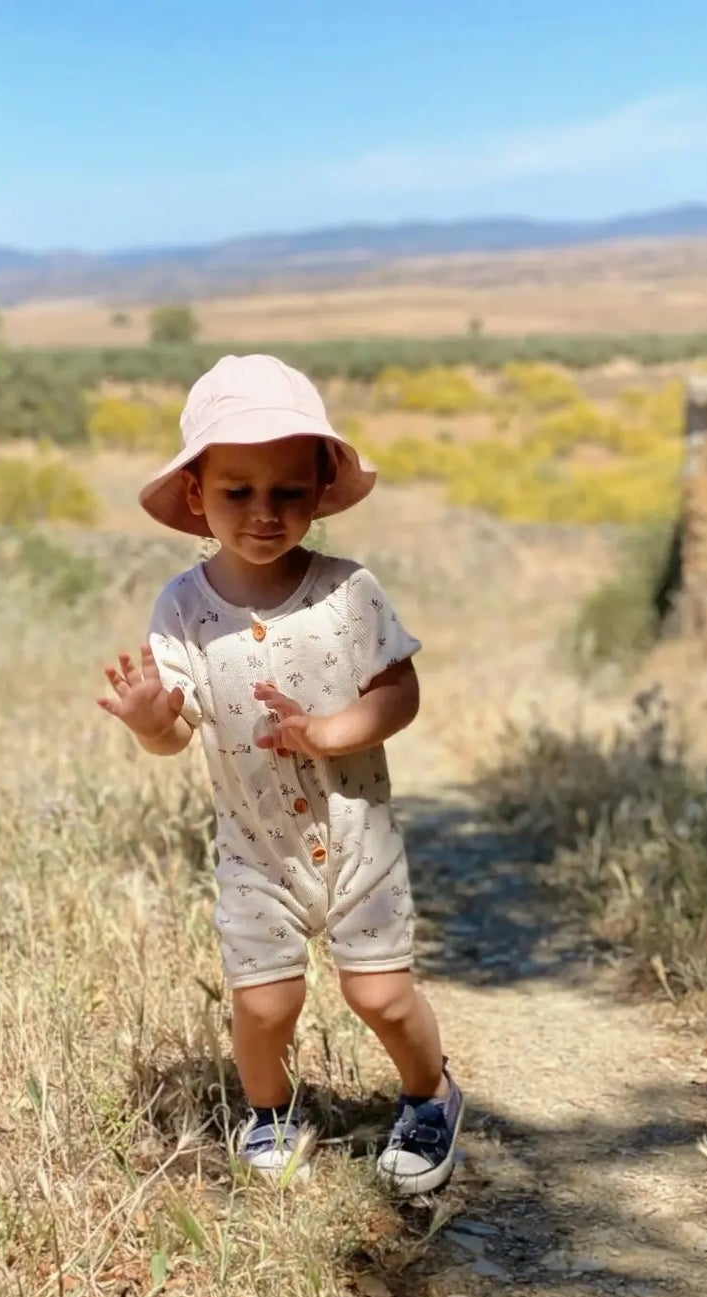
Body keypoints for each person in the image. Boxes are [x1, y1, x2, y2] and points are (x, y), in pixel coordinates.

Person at [96, 353, 462, 1194]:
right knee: (264, 1003)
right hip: (255, 848)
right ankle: (268, 1113)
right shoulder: (182, 607)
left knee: (380, 995)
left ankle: (429, 1094)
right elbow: (175, 731)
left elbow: (399, 689)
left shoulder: (348, 592)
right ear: (196, 493)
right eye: (238, 491)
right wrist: (151, 720)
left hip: (355, 835)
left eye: (289, 491)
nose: (265, 512)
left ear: (321, 487)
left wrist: (334, 730)